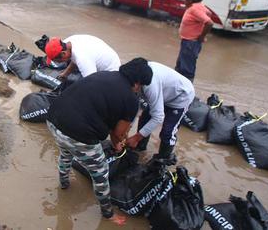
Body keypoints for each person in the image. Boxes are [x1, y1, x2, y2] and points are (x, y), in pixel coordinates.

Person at [46, 57, 153, 225]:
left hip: (53, 120)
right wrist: (118, 143)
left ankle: (64, 184)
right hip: (76, 133)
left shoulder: (104, 75)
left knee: (66, 152)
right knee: (101, 173)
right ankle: (108, 214)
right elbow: (118, 133)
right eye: (142, 85)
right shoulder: (132, 101)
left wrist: (114, 137)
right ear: (138, 82)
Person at [126, 60, 195, 159]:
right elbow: (134, 107)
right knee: (145, 118)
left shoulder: (150, 85)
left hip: (181, 96)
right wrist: (127, 129)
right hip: (163, 92)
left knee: (168, 131)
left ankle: (163, 159)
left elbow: (158, 117)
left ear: (137, 84)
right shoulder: (136, 75)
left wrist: (136, 137)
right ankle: (140, 147)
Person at [175, 0, 213, 82]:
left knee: (187, 70)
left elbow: (209, 22)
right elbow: (209, 13)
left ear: (190, 0)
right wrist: (199, 27)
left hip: (190, 44)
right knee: (179, 66)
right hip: (188, 43)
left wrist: (202, 36)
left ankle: (187, 91)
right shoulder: (199, 6)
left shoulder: (194, 9)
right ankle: (175, 85)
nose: (184, 0)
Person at [44, 34, 121, 79]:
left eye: (57, 61)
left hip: (111, 73)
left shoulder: (82, 58)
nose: (57, 62)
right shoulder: (68, 43)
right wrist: (65, 74)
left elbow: (91, 82)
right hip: (105, 56)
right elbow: (74, 60)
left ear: (63, 53)